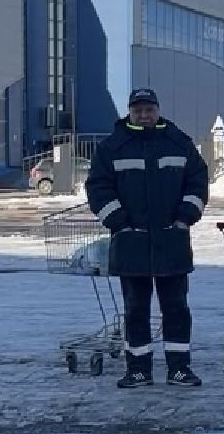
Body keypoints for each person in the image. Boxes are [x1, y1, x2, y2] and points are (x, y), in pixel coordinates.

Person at [85, 87, 211, 389]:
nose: (144, 115)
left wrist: (185, 218)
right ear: (130, 112)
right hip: (132, 245)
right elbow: (98, 188)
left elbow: (198, 181)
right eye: (138, 110)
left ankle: (179, 369)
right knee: (136, 310)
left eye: (149, 109)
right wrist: (119, 223)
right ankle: (138, 370)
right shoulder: (113, 147)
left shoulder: (178, 143)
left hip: (172, 242)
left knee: (177, 309)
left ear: (158, 110)